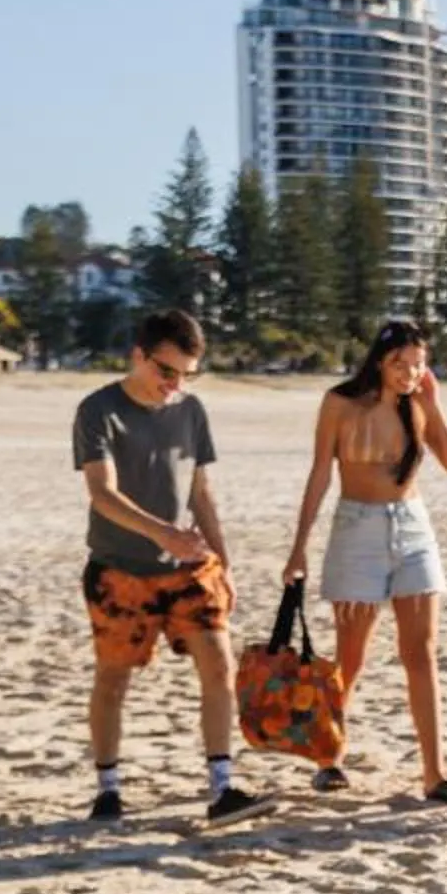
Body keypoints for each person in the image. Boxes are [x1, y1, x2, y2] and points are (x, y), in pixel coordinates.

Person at [73, 309, 268, 824]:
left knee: (220, 666)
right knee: (114, 677)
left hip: (189, 569)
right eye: (166, 371)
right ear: (138, 356)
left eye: (185, 374)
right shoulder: (99, 410)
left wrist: (222, 561)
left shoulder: (191, 410)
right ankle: (108, 788)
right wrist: (163, 533)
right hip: (120, 572)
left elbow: (201, 492)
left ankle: (223, 787)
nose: (174, 384)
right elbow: (102, 493)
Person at [282, 319, 447, 802]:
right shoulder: (340, 403)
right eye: (400, 364)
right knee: (352, 654)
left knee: (421, 651)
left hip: (412, 528)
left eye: (418, 364)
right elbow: (320, 473)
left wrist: (434, 403)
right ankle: (330, 758)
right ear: (378, 362)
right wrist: (299, 546)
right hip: (356, 530)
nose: (410, 373)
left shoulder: (418, 407)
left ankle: (435, 772)